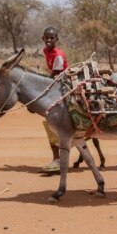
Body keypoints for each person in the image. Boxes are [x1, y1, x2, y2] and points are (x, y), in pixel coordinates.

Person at [39, 26, 68, 173]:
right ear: (42, 38)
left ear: (56, 39)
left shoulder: (58, 55)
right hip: (56, 82)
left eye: (52, 38)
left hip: (62, 85)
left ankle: (58, 158)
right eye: (46, 37)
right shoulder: (46, 51)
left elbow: (56, 75)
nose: (49, 40)